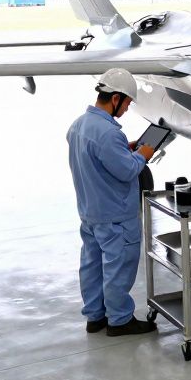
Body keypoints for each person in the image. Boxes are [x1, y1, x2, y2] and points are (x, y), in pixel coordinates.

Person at [68, 68, 158, 336]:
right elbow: (128, 171)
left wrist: (125, 150)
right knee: (118, 269)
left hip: (90, 213)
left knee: (92, 265)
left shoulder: (79, 125)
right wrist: (143, 154)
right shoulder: (109, 134)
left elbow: (100, 159)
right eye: (128, 102)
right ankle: (120, 320)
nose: (127, 108)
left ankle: (95, 316)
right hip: (116, 216)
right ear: (115, 98)